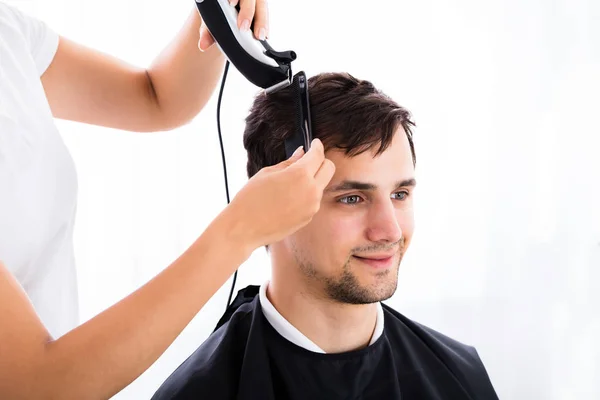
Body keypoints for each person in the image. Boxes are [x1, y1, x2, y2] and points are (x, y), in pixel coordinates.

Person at [0, 1, 336, 398]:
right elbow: (35, 384)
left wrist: (217, 13)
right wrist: (238, 232)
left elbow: (156, 96)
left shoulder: (9, 33)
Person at [150, 72, 500, 400]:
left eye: (399, 195)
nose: (390, 230)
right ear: (276, 206)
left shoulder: (459, 376)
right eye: (352, 199)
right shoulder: (197, 392)